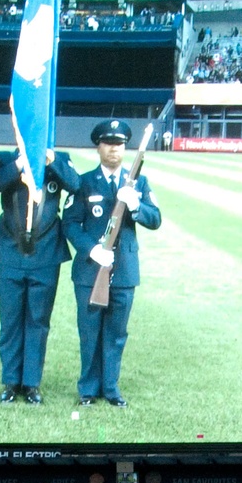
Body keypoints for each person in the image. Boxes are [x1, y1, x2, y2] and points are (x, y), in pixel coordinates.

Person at [62, 119, 161, 407]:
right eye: (108, 143)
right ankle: (88, 389)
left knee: (116, 333)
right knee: (90, 331)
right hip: (90, 271)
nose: (114, 149)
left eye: (119, 144)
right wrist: (92, 249)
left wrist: (135, 206)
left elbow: (155, 219)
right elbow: (70, 223)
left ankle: (111, 387)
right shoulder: (83, 182)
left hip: (125, 271)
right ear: (98, 147)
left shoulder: (139, 183)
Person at [0, 147, 81, 404]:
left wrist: (51, 161)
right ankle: (10, 381)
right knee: (10, 320)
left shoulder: (59, 160)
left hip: (46, 252)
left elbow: (76, 185)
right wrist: (18, 164)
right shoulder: (6, 159)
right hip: (9, 251)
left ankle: (31, 383)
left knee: (38, 321)